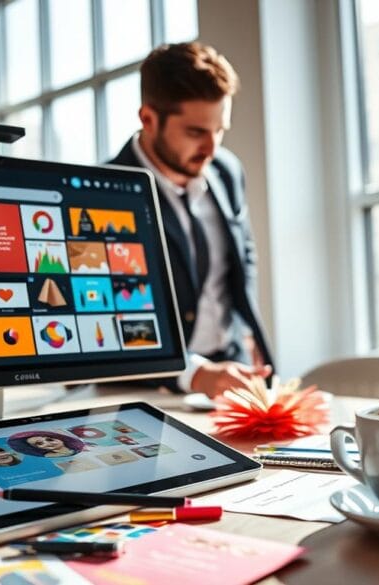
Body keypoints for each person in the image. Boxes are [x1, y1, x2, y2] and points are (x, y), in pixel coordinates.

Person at [108, 42, 273, 397]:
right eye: (196, 132)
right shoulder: (105, 192)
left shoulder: (227, 170)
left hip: (232, 371)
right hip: (148, 390)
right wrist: (197, 375)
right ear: (149, 119)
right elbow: (112, 316)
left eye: (220, 130)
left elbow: (242, 256)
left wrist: (247, 333)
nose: (212, 149)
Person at [7, 430, 86, 458]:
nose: (47, 443)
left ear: (60, 439)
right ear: (38, 448)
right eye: (39, 443)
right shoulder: (51, 455)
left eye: (49, 439)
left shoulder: (76, 450)